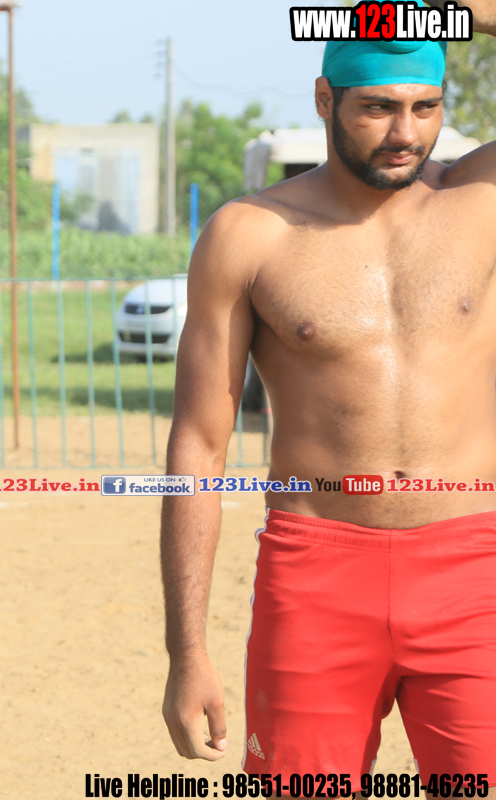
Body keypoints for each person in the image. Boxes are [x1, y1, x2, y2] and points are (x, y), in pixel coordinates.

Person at [160, 5, 496, 779]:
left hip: (473, 568)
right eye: (377, 108)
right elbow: (199, 446)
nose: (405, 133)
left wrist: (457, 9)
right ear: (324, 100)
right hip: (315, 575)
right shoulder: (250, 234)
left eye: (426, 107)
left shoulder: (480, 199)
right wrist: (187, 651)